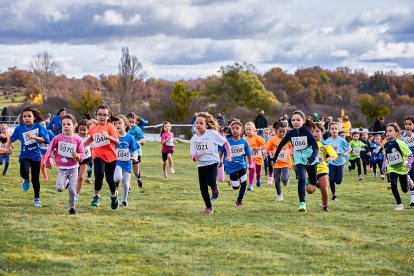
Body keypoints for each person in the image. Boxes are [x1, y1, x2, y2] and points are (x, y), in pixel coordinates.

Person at [273, 110, 318, 212]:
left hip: (310, 158)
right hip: (298, 158)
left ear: (303, 121)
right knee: (301, 178)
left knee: (313, 182)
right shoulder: (290, 134)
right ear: (291, 122)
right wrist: (274, 158)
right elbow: (280, 145)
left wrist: (311, 158)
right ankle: (302, 203)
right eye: (293, 120)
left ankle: (310, 180)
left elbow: (315, 147)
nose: (295, 122)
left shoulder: (307, 132)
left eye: (298, 120)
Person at [190, 112, 232, 215]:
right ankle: (208, 207)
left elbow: (226, 143)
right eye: (197, 123)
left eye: (201, 123)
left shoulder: (212, 134)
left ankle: (214, 188)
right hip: (201, 164)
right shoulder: (194, 139)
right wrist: (195, 157)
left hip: (213, 161)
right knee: (203, 187)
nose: (198, 125)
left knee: (211, 180)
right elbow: (192, 154)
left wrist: (229, 155)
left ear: (206, 125)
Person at [8, 106, 49, 207]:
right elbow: (11, 139)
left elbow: (46, 140)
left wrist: (35, 137)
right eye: (24, 116)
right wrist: (8, 147)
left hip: (36, 156)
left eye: (29, 116)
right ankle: (26, 179)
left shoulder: (39, 127)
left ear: (34, 117)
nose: (26, 118)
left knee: (35, 180)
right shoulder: (19, 129)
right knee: (23, 172)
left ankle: (37, 199)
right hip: (24, 156)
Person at [45, 114, 85, 215]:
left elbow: (82, 154)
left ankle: (72, 208)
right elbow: (50, 148)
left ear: (74, 125)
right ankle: (66, 183)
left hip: (74, 168)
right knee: (59, 188)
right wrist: (47, 160)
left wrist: (77, 156)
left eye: (68, 124)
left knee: (72, 189)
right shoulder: (58, 138)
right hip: (62, 168)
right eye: (63, 124)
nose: (66, 126)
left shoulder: (77, 139)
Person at [84, 105, 120, 209]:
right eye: (99, 114)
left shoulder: (110, 127)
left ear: (108, 117)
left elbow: (117, 141)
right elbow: (90, 139)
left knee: (109, 179)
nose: (102, 117)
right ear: (96, 116)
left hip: (111, 156)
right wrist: (80, 147)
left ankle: (113, 196)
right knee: (99, 174)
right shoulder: (93, 128)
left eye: (104, 115)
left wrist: (107, 136)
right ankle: (96, 197)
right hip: (98, 155)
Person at [306, 122, 338, 211]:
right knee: (310, 190)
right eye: (313, 132)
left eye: (317, 131)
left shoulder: (325, 145)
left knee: (324, 188)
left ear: (322, 132)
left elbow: (334, 155)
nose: (315, 133)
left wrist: (331, 158)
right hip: (311, 171)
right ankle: (313, 183)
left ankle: (325, 206)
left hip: (322, 169)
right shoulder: (307, 145)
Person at [220, 119, 252, 206]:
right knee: (235, 187)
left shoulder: (244, 142)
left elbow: (249, 154)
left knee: (244, 184)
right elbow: (221, 151)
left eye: (237, 128)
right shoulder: (227, 141)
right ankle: (232, 181)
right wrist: (219, 161)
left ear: (241, 131)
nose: (234, 130)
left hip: (242, 166)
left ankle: (239, 201)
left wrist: (251, 164)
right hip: (231, 167)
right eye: (233, 128)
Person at [382, 123, 413, 210]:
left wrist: (409, 163)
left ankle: (408, 179)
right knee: (393, 185)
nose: (387, 132)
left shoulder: (400, 143)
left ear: (397, 133)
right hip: (392, 168)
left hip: (402, 168)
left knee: (405, 190)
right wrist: (384, 166)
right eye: (386, 131)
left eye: (390, 131)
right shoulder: (386, 144)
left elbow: (410, 155)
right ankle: (399, 204)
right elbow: (386, 156)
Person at [113, 115, 139, 207]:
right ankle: (114, 193)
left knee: (125, 183)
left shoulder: (130, 138)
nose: (117, 125)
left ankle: (124, 201)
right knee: (117, 178)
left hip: (127, 163)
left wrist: (134, 157)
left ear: (125, 125)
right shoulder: (113, 138)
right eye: (115, 124)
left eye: (119, 123)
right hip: (117, 162)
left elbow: (135, 150)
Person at [265, 121, 292, 201]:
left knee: (284, 179)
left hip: (286, 163)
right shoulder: (273, 139)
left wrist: (290, 153)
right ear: (276, 130)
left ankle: (286, 179)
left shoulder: (288, 139)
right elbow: (267, 147)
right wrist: (266, 152)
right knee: (276, 180)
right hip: (276, 163)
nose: (282, 133)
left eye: (284, 132)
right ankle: (279, 195)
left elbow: (291, 148)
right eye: (280, 132)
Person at [325, 122, 351, 201]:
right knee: (331, 179)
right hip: (331, 163)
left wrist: (345, 153)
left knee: (338, 181)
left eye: (336, 129)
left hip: (340, 163)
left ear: (338, 130)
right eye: (332, 129)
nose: (334, 130)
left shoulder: (342, 140)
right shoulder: (327, 141)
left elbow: (349, 149)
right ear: (329, 130)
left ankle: (336, 188)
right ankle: (334, 195)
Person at [244, 122, 266, 190]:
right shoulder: (244, 139)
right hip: (250, 158)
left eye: (249, 129)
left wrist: (258, 148)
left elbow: (265, 145)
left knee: (258, 172)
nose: (248, 131)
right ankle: (250, 184)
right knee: (252, 169)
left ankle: (258, 178)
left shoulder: (257, 137)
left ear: (254, 130)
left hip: (258, 158)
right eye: (246, 129)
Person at [75, 119, 92, 202]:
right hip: (75, 159)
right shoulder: (75, 137)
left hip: (85, 159)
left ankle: (76, 194)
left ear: (88, 130)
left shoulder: (90, 138)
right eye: (80, 130)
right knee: (74, 177)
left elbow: (93, 148)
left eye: (84, 130)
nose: (82, 131)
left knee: (81, 177)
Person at [127, 112, 145, 188]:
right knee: (128, 168)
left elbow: (142, 138)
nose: (131, 124)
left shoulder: (137, 129)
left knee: (135, 170)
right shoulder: (125, 129)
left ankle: (138, 177)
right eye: (129, 122)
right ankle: (128, 185)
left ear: (135, 122)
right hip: (126, 151)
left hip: (136, 152)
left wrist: (138, 142)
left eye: (133, 122)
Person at [403, 116, 414, 205]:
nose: (407, 126)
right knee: (411, 179)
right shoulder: (404, 135)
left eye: (410, 124)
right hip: (409, 161)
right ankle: (412, 199)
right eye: (406, 124)